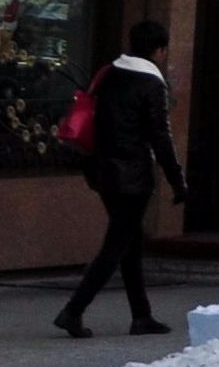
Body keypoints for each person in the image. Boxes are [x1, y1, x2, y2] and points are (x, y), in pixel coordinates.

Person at [54, 20, 187, 337]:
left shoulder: (109, 72)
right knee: (116, 246)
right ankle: (73, 310)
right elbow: (160, 137)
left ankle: (141, 315)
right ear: (159, 50)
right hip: (133, 175)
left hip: (103, 171)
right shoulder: (152, 84)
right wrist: (177, 180)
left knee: (130, 243)